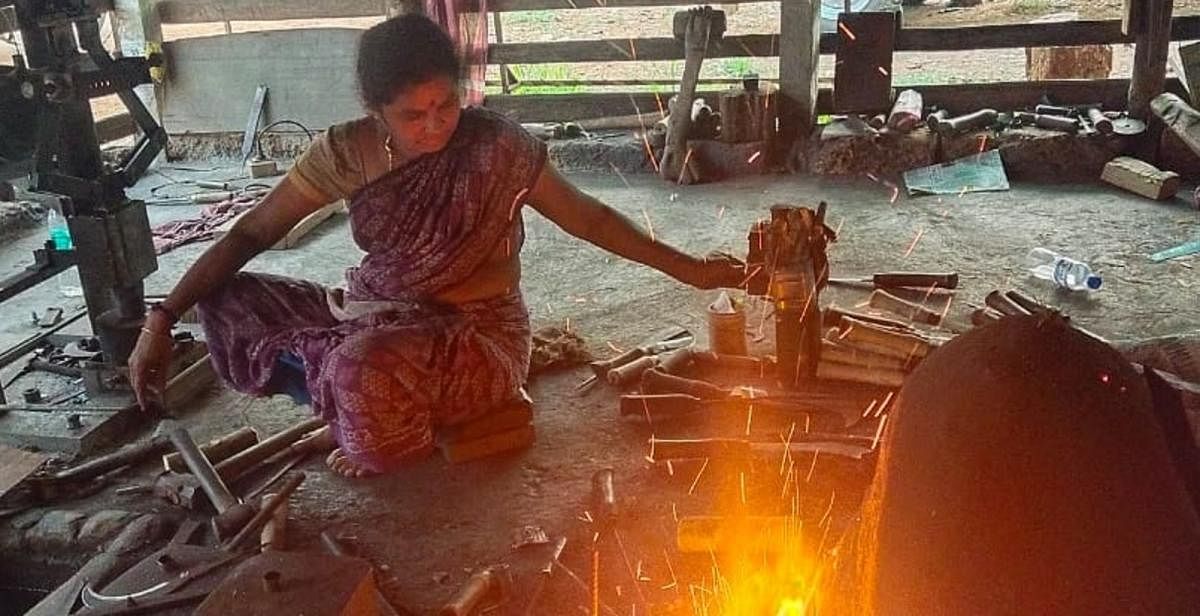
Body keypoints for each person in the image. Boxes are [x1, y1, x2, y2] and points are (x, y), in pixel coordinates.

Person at [128, 14, 744, 478]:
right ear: (377, 112)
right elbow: (251, 233)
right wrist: (161, 319)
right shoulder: (344, 152)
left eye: (445, 104)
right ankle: (361, 404)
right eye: (411, 114)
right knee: (227, 302)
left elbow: (588, 218)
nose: (434, 125)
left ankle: (376, 421)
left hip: (478, 336)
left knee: (357, 369)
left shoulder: (496, 146)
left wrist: (688, 269)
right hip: (373, 317)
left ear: (460, 90)